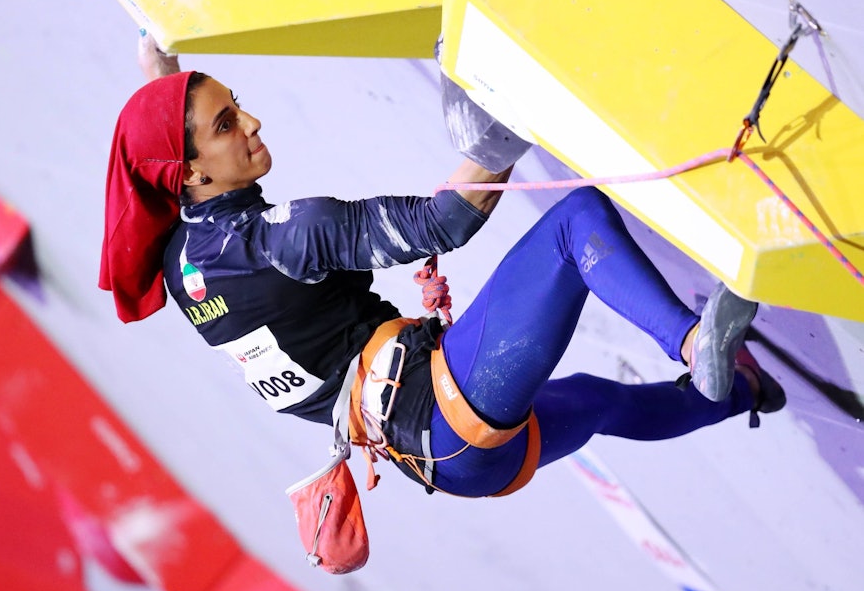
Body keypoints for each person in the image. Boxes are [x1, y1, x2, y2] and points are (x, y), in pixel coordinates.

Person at [99, 36, 785, 500]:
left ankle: (741, 393)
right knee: (576, 222)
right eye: (226, 124)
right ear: (189, 172)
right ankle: (692, 343)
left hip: (447, 465)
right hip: (450, 406)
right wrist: (507, 108)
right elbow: (446, 220)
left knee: (601, 403)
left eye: (235, 103)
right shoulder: (288, 238)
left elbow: (169, 150)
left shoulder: (180, 264)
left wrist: (166, 84)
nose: (251, 122)